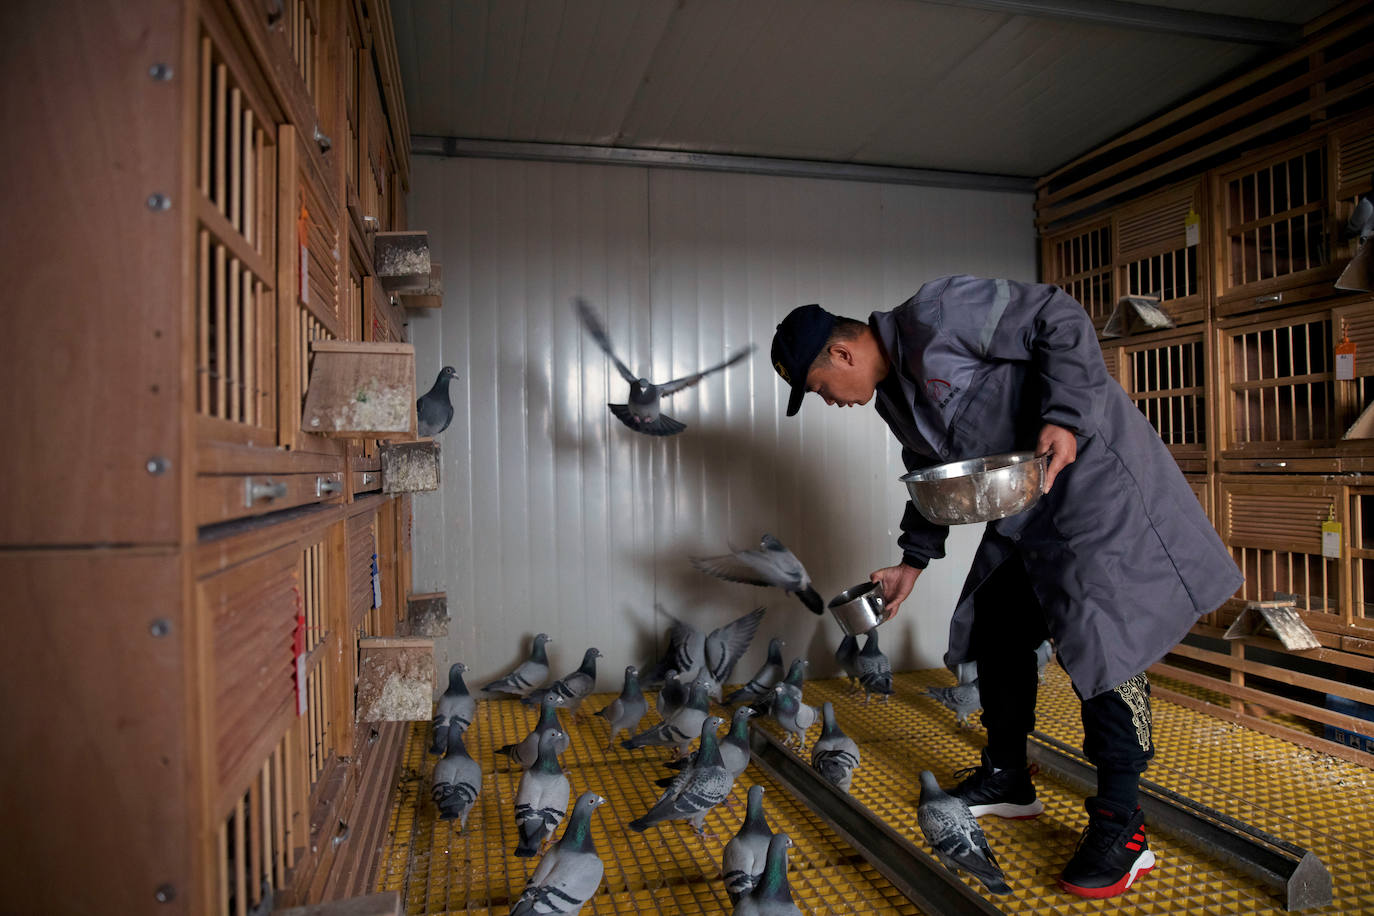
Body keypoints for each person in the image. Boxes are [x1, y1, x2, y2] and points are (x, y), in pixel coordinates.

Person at [770, 275, 1243, 900]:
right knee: (995, 621)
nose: (829, 401)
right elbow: (932, 475)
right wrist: (911, 563)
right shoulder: (892, 397)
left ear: (842, 354)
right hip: (1026, 505)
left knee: (1105, 645)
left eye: (820, 389)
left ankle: (1122, 825)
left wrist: (1065, 419)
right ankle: (1008, 777)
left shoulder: (938, 313)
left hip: (1094, 482)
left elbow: (1060, 316)